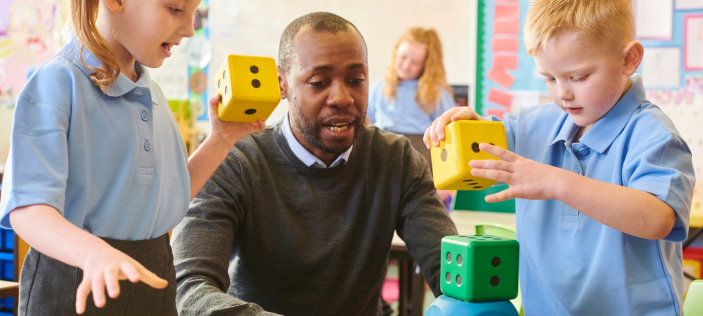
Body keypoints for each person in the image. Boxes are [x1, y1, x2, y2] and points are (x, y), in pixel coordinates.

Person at [171, 12, 457, 316]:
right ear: (282, 85)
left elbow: (451, 270)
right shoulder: (237, 160)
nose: (342, 97)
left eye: (356, 80)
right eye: (319, 82)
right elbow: (189, 287)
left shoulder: (395, 160)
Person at [425, 0, 695, 315]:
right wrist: (466, 126)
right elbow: (485, 143)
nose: (562, 93)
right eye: (549, 79)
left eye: (578, 77)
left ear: (629, 59)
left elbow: (658, 218)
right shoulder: (530, 126)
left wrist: (556, 182)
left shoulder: (654, 136)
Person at [0, 0, 265, 315]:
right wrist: (91, 254)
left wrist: (221, 140)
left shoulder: (153, 96)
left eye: (194, 13)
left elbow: (170, 197)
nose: (190, 29)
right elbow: (28, 210)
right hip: (77, 281)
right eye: (176, 9)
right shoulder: (57, 82)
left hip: (153, 276)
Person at [367, 27, 455, 203]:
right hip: (383, 163)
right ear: (395, 53)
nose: (407, 65)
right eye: (403, 57)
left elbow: (450, 139)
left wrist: (445, 186)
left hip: (419, 164)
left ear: (426, 64)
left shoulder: (436, 94)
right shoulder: (379, 88)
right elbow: (366, 122)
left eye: (415, 62)